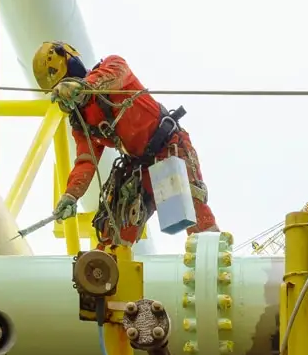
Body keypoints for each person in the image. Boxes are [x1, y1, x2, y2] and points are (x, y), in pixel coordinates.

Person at [31, 41, 219, 246]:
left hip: (167, 147)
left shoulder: (112, 66)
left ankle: (216, 259)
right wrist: (71, 194)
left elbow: (112, 77)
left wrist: (82, 87)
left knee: (193, 211)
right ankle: (106, 271)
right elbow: (86, 160)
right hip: (138, 166)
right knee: (113, 228)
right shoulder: (81, 120)